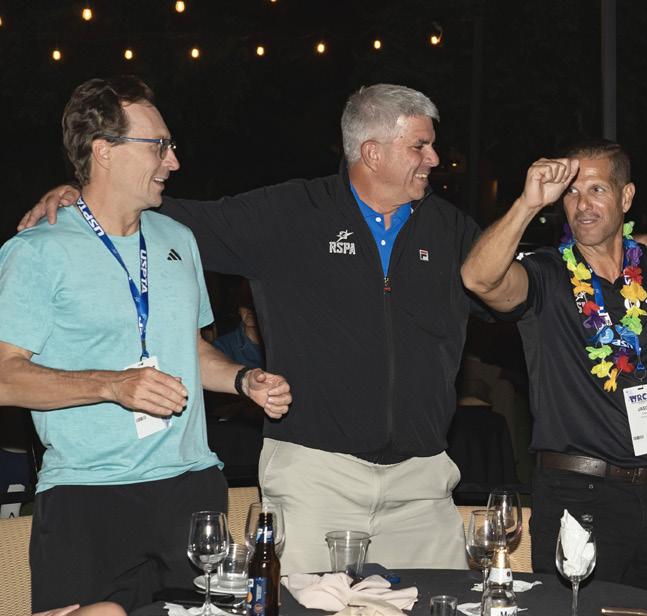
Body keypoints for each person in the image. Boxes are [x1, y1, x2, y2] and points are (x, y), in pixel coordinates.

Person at [20, 83, 480, 574]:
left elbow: (504, 293)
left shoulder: (450, 228)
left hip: (422, 483)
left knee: (444, 602)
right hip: (316, 478)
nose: (434, 159)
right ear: (372, 152)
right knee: (306, 605)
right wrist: (82, 198)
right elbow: (164, 214)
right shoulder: (290, 214)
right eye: (420, 146)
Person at [0, 76, 291, 611]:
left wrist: (242, 379)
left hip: (192, 488)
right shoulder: (36, 251)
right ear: (104, 151)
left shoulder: (178, 239)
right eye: (159, 146)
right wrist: (113, 385)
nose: (173, 161)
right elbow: (4, 377)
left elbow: (191, 350)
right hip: (87, 497)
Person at [460, 140, 647, 593]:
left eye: (597, 190)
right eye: (571, 192)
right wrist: (528, 203)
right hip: (575, 493)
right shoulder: (546, 274)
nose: (582, 204)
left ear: (626, 197)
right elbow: (478, 278)